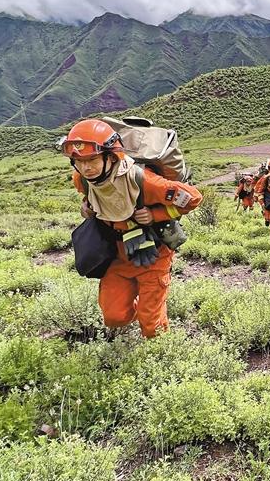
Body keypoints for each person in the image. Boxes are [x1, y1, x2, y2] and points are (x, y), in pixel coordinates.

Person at [61, 119, 202, 338]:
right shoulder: (83, 180)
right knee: (114, 316)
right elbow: (95, 198)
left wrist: (156, 215)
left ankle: (158, 346)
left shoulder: (142, 179)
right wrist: (86, 207)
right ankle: (145, 311)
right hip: (116, 254)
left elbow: (193, 198)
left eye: (92, 160)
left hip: (154, 253)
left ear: (111, 156)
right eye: (79, 161)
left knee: (151, 323)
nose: (86, 167)